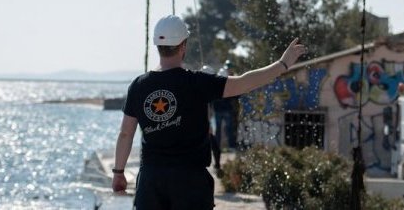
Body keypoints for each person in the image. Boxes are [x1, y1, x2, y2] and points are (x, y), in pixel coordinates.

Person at [111, 14, 306, 209]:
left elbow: (126, 133)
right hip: (191, 182)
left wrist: (119, 172)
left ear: (157, 46)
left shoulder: (138, 86)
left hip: (151, 182)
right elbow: (244, 83)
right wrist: (282, 65)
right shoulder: (198, 82)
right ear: (183, 46)